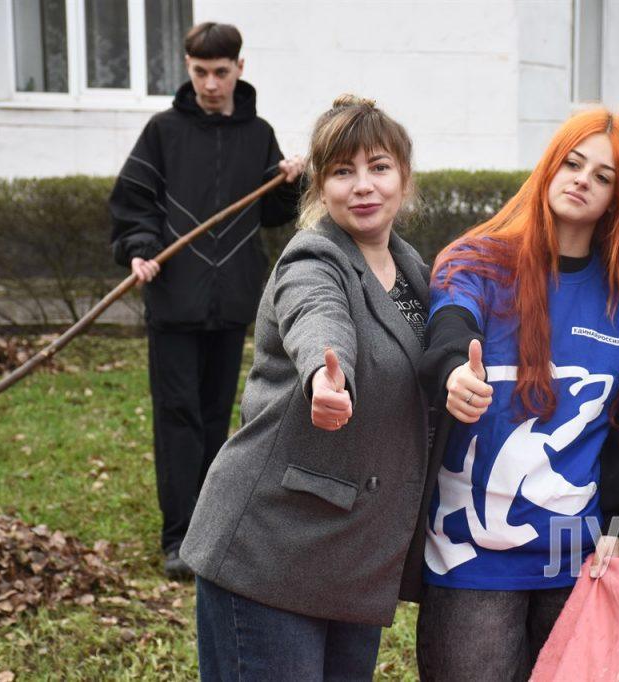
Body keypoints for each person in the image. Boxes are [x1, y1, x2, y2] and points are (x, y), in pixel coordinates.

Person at [178, 95, 430, 680]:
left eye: (378, 167)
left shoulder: (412, 270)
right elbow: (316, 315)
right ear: (320, 186)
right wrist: (324, 373)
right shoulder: (313, 257)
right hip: (269, 549)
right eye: (342, 171)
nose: (362, 186)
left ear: (403, 178)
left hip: (355, 557)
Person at [415, 109, 619, 681]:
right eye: (572, 163)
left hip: (577, 564)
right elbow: (451, 322)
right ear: (550, 167)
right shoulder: (477, 262)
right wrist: (454, 371)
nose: (582, 180)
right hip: (469, 560)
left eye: (603, 176)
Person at [108, 22, 305, 578]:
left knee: (217, 417)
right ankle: (177, 538)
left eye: (221, 72)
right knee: (178, 417)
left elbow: (273, 213)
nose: (211, 84)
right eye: (200, 72)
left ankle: (206, 530)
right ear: (187, 68)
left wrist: (290, 180)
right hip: (173, 299)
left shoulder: (258, 133)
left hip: (233, 300)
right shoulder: (163, 131)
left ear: (240, 68)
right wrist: (141, 249)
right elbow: (133, 201)